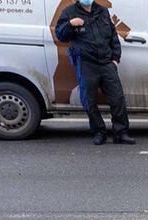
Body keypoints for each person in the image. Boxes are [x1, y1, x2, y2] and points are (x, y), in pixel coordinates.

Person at [55, 0, 135, 145]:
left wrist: (115, 59)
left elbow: (113, 36)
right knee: (89, 101)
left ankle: (121, 133)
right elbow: (60, 35)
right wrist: (70, 24)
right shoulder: (69, 12)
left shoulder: (103, 11)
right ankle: (99, 132)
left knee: (117, 99)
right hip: (86, 64)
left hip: (106, 63)